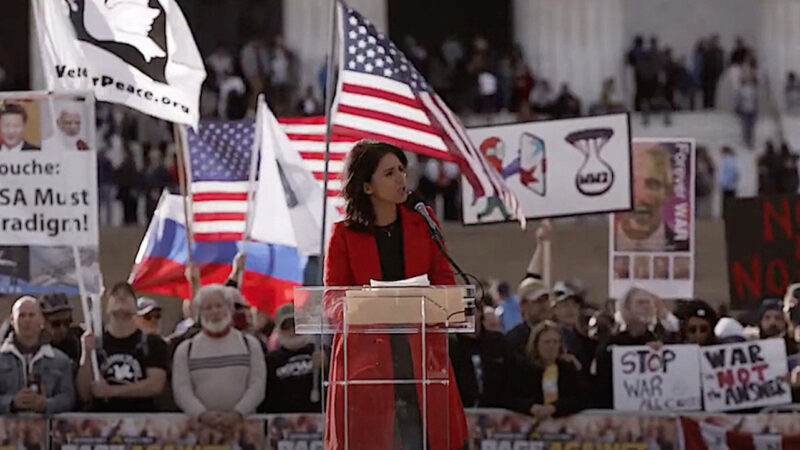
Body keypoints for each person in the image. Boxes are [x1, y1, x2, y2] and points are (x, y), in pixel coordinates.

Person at [324, 140, 468, 449]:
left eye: (402, 169)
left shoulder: (423, 220)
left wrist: (436, 299)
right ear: (366, 186)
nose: (402, 178)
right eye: (390, 173)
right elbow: (331, 301)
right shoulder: (344, 234)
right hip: (366, 363)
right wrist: (364, 305)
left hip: (421, 360)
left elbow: (444, 280)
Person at [172, 285, 266, 429]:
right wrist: (201, 414)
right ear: (199, 312)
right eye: (208, 307)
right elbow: (181, 389)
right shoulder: (186, 349)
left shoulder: (250, 345)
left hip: (244, 429)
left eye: (218, 305)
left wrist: (238, 413)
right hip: (201, 430)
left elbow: (258, 385)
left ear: (229, 308)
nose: (214, 311)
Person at [77, 282, 168, 412]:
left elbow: (155, 385)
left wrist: (111, 391)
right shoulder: (95, 344)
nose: (121, 297)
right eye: (115, 294)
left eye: (128, 294)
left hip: (141, 424)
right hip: (102, 424)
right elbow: (84, 393)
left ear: (136, 308)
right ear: (107, 307)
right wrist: (86, 354)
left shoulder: (152, 343)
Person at [595, 288, 676, 408]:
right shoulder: (611, 344)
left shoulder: (662, 341)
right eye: (640, 303)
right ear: (626, 309)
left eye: (649, 303)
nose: (646, 307)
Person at [0, 296, 75, 414]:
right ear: (12, 320)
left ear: (42, 320)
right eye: (22, 315)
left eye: (31, 315)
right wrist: (12, 402)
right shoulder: (1, 358)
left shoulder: (60, 360)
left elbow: (68, 398)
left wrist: (46, 404)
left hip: (46, 429)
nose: (27, 320)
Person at [615, 144, 688, 252]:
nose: (641, 196)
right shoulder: (600, 245)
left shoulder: (684, 247)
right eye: (630, 183)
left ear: (668, 192)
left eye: (652, 184)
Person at [508, 321, 584, 419]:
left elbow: (580, 398)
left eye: (555, 342)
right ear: (536, 344)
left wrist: (555, 407)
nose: (551, 346)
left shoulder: (567, 368)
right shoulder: (522, 369)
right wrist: (530, 407)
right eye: (547, 342)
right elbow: (511, 398)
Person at [449, 296, 513, 408]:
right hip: (463, 411)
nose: (466, 316)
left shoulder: (498, 342)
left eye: (470, 311)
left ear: (479, 312)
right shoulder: (450, 348)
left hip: (497, 411)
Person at [260, 303, 322, 413]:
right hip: (284, 424)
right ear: (279, 329)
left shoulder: (322, 352)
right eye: (286, 326)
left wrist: (328, 367)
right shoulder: (270, 361)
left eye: (296, 324)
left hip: (320, 419)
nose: (293, 329)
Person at [551, 281, 596, 371]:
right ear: (555, 309)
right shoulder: (547, 339)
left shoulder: (588, 345)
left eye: (574, 305)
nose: (570, 310)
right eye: (565, 305)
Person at [39, 293, 83, 365]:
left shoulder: (76, 343)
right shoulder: (34, 346)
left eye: (67, 323)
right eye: (56, 324)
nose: (63, 329)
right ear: (42, 322)